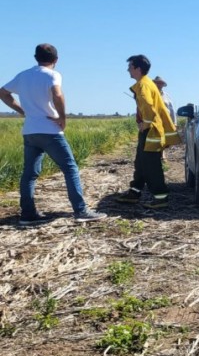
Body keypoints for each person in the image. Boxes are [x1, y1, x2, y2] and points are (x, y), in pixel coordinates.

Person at [0, 43, 107, 225]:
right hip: (50, 130)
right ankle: (81, 210)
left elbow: (3, 93)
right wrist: (62, 118)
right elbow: (57, 95)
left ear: (36, 58)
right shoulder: (53, 74)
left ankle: (27, 214)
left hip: (30, 131)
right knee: (70, 168)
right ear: (55, 60)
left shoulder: (23, 75)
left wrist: (22, 110)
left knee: (29, 174)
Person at [116, 55, 180, 208]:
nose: (128, 70)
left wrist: (145, 124)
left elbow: (149, 108)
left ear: (138, 69)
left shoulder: (144, 85)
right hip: (151, 130)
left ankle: (160, 197)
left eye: (130, 67)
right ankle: (134, 192)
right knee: (141, 163)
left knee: (151, 165)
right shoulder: (146, 83)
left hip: (151, 131)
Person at [152, 76, 175, 165]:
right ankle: (160, 155)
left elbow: (172, 109)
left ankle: (162, 153)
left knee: (165, 138)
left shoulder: (167, 96)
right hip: (154, 119)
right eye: (157, 83)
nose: (159, 85)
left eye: (160, 83)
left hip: (166, 119)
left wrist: (174, 122)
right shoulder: (150, 94)